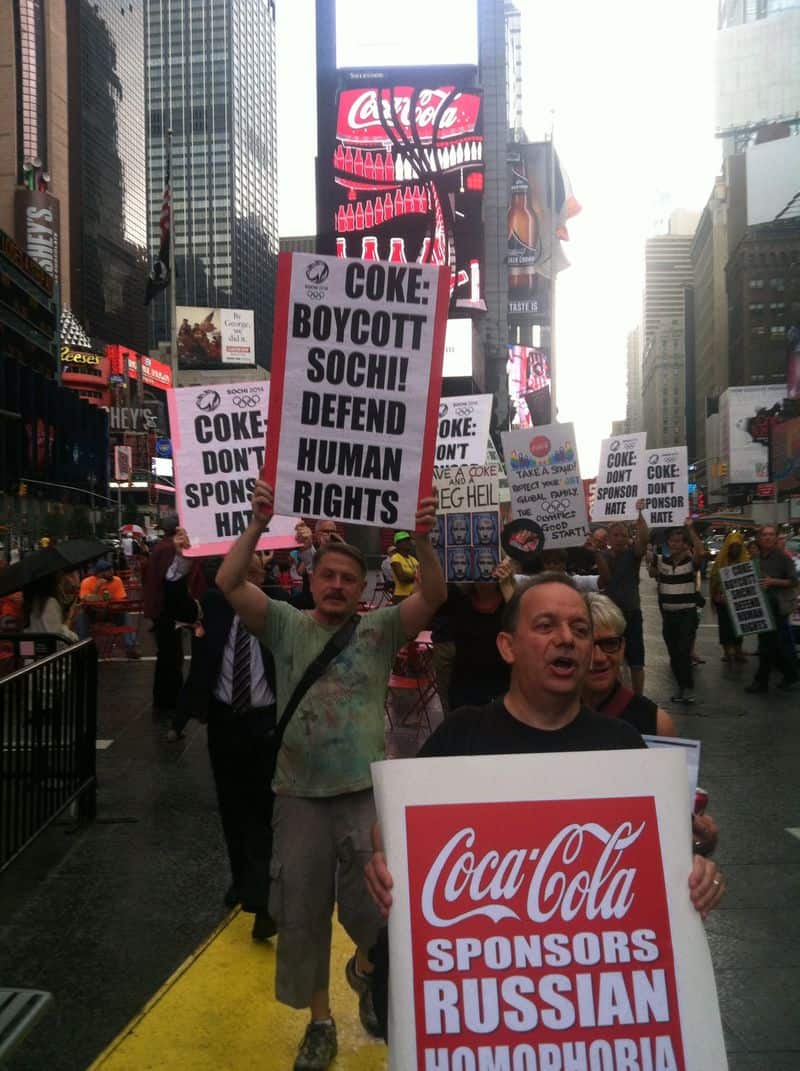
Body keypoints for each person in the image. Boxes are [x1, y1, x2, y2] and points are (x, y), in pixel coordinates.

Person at [364, 576, 726, 1036]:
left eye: (579, 629)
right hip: (485, 1011)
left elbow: (669, 859)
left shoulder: (621, 746)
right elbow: (388, 832)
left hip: (587, 1013)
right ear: (508, 647)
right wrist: (384, 862)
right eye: (546, 626)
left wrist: (698, 874)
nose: (567, 640)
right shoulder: (462, 735)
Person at [216, 478, 446, 1071]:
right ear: (312, 582)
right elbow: (228, 582)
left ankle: (368, 971)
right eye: (328, 576)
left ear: (362, 585)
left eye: (348, 577)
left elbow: (435, 596)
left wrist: (421, 539)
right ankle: (320, 1022)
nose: (338, 585)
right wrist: (256, 524)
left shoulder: (379, 629)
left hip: (365, 796)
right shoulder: (287, 625)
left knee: (378, 911)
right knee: (302, 912)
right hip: (297, 798)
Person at [176, 552, 279, 940]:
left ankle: (263, 892)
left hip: (267, 723)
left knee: (265, 809)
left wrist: (316, 548)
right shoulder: (214, 604)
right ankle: (242, 881)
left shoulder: (277, 605)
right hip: (224, 720)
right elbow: (175, 605)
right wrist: (181, 564)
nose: (253, 570)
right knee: (231, 806)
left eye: (256, 566)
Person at [582, 593, 676, 736]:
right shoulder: (544, 716)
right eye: (588, 646)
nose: (599, 657)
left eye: (610, 643)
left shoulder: (656, 724)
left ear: (623, 647)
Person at [143, 517, 197, 716]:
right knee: (171, 656)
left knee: (166, 655)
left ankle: (164, 699)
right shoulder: (169, 549)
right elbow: (172, 581)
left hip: (160, 609)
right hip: (167, 610)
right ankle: (170, 699)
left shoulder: (160, 547)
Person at [649, 519, 706, 705]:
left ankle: (687, 688)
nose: (675, 544)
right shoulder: (660, 561)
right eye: (672, 541)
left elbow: (701, 552)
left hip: (687, 615)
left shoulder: (691, 562)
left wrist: (690, 528)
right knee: (674, 653)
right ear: (667, 543)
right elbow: (650, 568)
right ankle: (682, 687)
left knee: (683, 651)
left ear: (684, 544)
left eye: (679, 541)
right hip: (668, 616)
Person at [601, 500, 649, 695]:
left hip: (631, 613)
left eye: (623, 535)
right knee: (613, 659)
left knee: (636, 662)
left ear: (629, 538)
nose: (620, 538)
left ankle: (638, 698)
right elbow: (605, 580)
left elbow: (644, 539)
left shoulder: (633, 554)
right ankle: (618, 694)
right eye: (616, 535)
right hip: (612, 616)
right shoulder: (603, 555)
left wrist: (640, 514)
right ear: (609, 538)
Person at [745, 524, 799, 694]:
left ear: (776, 538)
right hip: (762, 606)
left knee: (768, 645)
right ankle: (791, 674)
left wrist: (773, 582)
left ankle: (761, 682)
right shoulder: (758, 557)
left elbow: (793, 581)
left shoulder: (783, 558)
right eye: (764, 535)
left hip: (778, 606)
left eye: (771, 535)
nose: (767, 538)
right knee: (772, 645)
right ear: (759, 538)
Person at [75, 559, 140, 658]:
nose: (111, 572)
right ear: (100, 573)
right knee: (81, 615)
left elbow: (121, 600)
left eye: (111, 569)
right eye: (108, 571)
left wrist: (109, 601)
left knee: (125, 614)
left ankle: (130, 647)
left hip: (111, 612)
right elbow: (85, 599)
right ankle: (83, 647)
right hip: (93, 612)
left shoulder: (116, 580)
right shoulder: (87, 582)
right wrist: (97, 590)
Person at [709, 532, 748, 664]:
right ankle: (727, 651)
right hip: (723, 601)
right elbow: (714, 578)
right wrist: (716, 595)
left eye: (737, 546)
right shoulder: (721, 561)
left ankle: (738, 650)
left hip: (740, 600)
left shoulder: (745, 560)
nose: (735, 549)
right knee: (725, 627)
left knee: (739, 627)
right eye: (732, 546)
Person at [25, 575, 79, 643]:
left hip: (38, 649)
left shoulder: (34, 601)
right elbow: (57, 639)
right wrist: (70, 618)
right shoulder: (50, 602)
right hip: (50, 650)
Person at [389, 532, 418, 603]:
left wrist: (411, 576)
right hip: (401, 597)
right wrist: (416, 577)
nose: (409, 542)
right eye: (405, 540)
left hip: (415, 595)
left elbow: (424, 576)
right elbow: (402, 577)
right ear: (398, 544)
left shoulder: (413, 559)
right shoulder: (396, 557)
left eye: (409, 540)